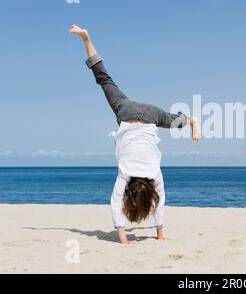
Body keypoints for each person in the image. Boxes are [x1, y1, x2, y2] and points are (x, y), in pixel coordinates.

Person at [69, 24, 201, 244]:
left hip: (150, 116)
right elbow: (114, 203)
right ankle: (86, 38)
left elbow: (160, 204)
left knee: (170, 120)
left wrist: (159, 235)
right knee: (104, 80)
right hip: (127, 112)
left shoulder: (154, 174)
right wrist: (123, 239)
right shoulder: (125, 172)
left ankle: (190, 121)